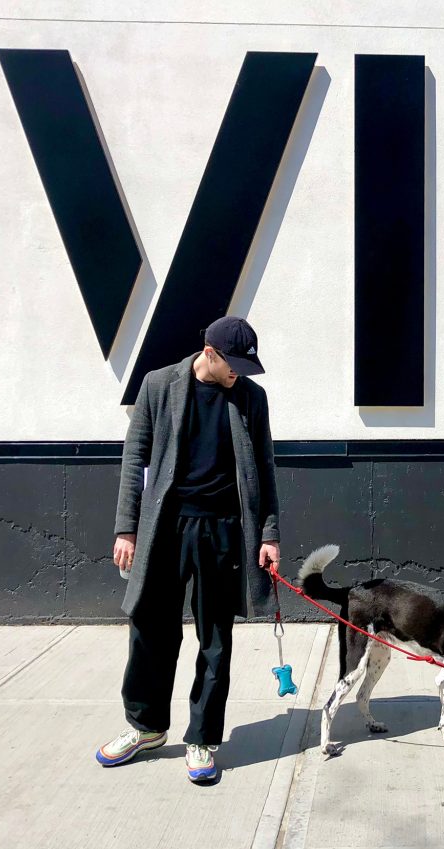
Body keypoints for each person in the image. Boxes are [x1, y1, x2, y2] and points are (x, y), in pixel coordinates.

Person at [96, 316, 281, 782]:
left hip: (223, 531)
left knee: (215, 637)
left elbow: (265, 469)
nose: (239, 374)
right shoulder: (159, 385)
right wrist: (126, 529)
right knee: (150, 628)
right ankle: (146, 727)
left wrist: (269, 534)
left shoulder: (251, 399)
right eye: (233, 364)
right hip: (165, 528)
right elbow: (135, 459)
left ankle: (202, 737)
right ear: (209, 353)